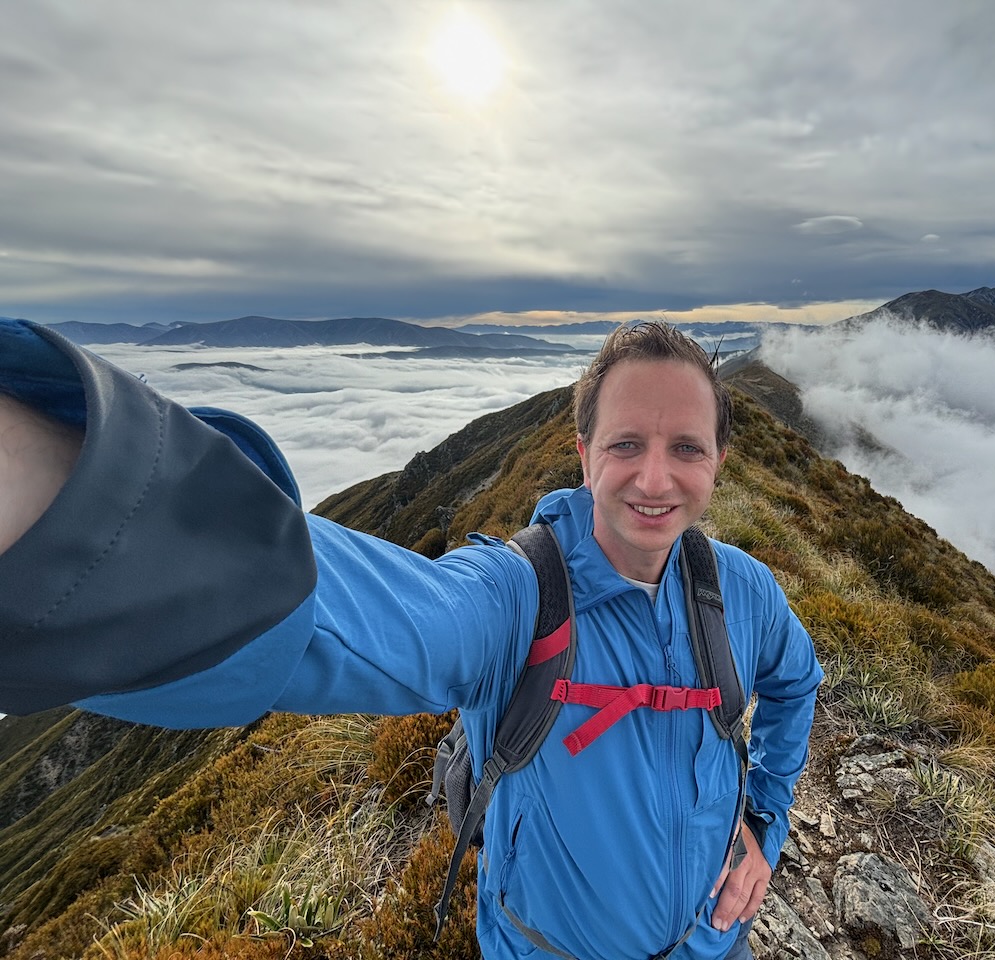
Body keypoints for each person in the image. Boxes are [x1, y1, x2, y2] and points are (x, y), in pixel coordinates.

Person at [0, 318, 821, 960]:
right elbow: (369, 615)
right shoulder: (516, 597)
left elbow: (797, 681)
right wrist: (83, 513)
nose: (653, 478)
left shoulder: (740, 592)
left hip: (715, 945)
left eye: (685, 448)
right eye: (625, 446)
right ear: (581, 456)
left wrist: (765, 823)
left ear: (718, 461)